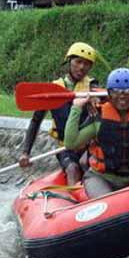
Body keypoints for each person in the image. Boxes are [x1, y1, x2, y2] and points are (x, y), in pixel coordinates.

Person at [63, 68, 129, 200]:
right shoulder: (99, 117)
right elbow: (70, 143)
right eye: (116, 92)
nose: (122, 96)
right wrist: (76, 107)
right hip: (101, 178)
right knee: (108, 203)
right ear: (109, 94)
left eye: (128, 92)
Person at [19, 42, 99, 185]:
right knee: (73, 168)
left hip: (89, 146)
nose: (82, 67)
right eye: (78, 62)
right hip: (65, 147)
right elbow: (36, 121)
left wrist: (95, 97)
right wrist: (26, 152)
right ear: (69, 61)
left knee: (87, 165)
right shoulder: (53, 90)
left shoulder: (93, 87)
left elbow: (100, 96)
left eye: (87, 64)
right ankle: (73, 202)